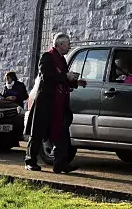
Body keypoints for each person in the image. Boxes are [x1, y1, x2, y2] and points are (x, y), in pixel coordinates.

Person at [24, 33, 86, 173]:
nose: (69, 46)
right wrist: (65, 76)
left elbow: (62, 79)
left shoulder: (62, 60)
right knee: (38, 132)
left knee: (62, 133)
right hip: (45, 102)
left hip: (59, 103)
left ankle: (60, 163)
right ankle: (30, 160)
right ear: (60, 44)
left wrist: (75, 82)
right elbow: (47, 76)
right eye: (67, 44)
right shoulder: (47, 57)